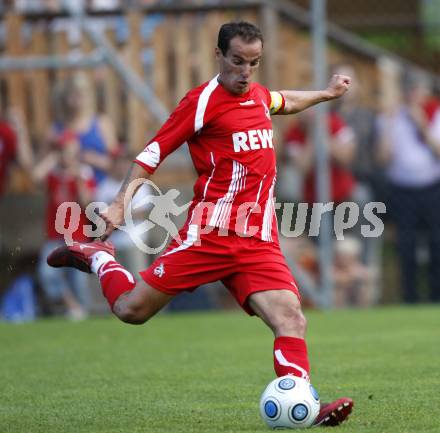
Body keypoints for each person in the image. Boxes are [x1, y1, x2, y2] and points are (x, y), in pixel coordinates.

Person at [47, 22, 353, 425]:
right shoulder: (201, 102)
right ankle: (100, 258)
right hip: (210, 234)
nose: (245, 71)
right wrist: (121, 205)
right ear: (219, 55)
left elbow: (285, 101)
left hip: (258, 239)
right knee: (131, 310)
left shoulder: (258, 96)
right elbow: (151, 154)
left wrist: (326, 94)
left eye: (254, 63)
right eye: (238, 61)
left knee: (290, 317)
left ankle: (304, 408)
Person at [377, 71, 440, 303]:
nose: (415, 94)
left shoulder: (435, 114)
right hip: (402, 189)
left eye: (419, 89)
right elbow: (383, 157)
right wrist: (389, 123)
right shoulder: (392, 117)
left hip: (432, 188)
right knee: (406, 245)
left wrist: (422, 124)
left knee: (436, 243)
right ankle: (410, 298)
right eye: (411, 89)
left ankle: (436, 297)